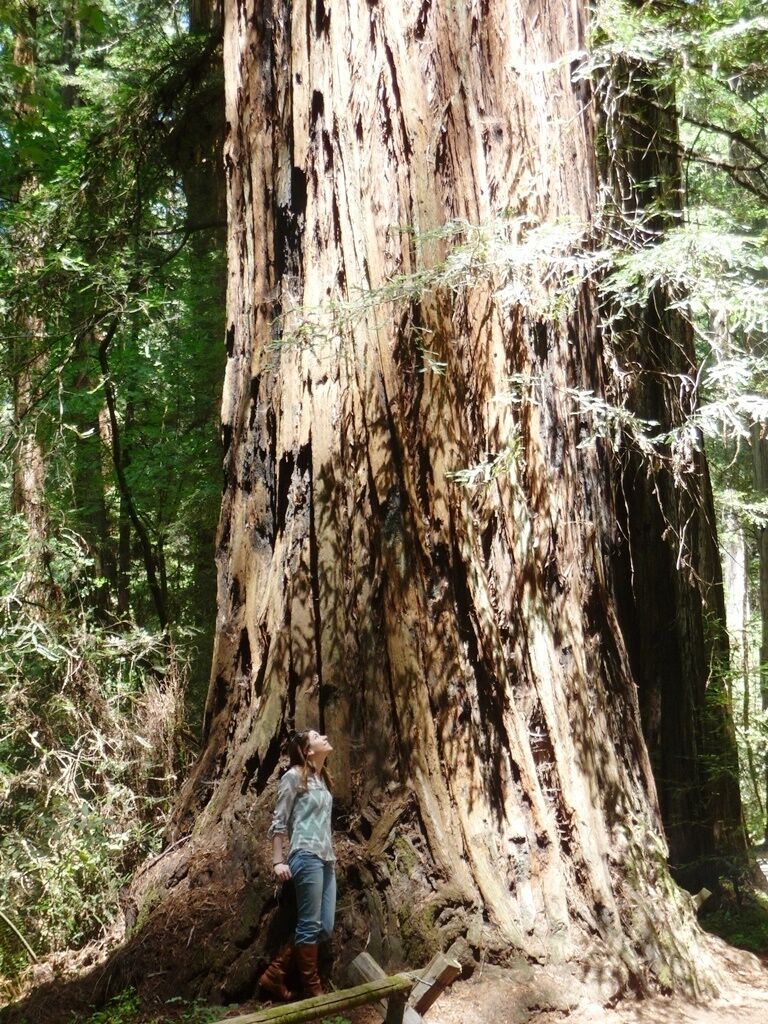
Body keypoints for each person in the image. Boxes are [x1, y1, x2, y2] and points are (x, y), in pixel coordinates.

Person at [259, 728, 336, 1001]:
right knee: (309, 923)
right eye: (316, 736)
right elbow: (279, 820)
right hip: (305, 855)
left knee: (323, 926)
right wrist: (277, 860)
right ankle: (313, 990)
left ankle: (275, 973)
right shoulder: (293, 777)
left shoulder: (322, 779)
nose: (323, 736)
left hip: (327, 859)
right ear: (308, 751)